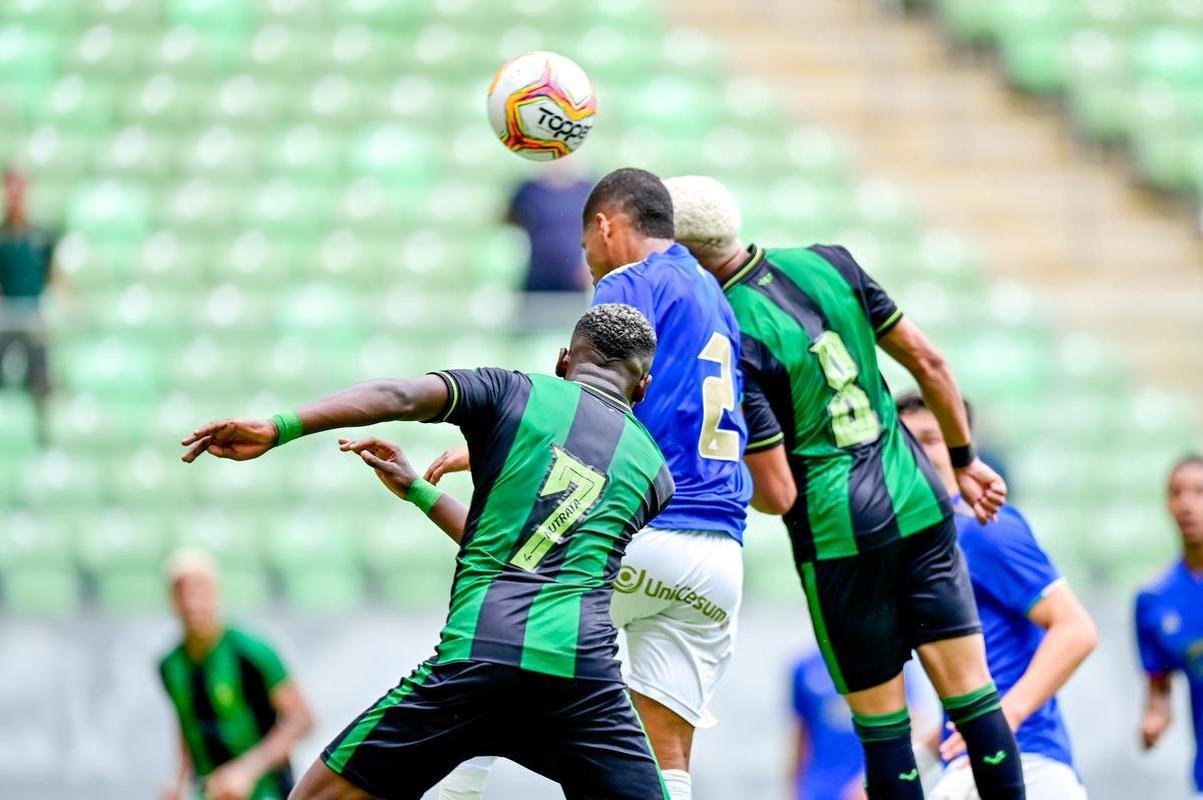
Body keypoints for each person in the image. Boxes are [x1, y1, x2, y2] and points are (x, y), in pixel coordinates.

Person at [180, 303, 676, 800]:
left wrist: (279, 427)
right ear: (643, 387)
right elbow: (533, 551)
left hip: (476, 662)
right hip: (580, 684)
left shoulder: (511, 392)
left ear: (563, 361)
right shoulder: (655, 476)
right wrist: (420, 491)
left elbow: (397, 395)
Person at [666, 174, 1023, 800]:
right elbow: (931, 363)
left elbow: (777, 494)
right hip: (919, 500)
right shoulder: (832, 263)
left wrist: (705, 469)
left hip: (839, 536)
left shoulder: (729, 332)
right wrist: (964, 460)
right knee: (974, 701)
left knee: (884, 733)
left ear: (686, 254)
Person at [431, 168, 753, 800]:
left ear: (605, 227)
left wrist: (496, 447)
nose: (589, 260)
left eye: (585, 247)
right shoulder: (715, 297)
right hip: (718, 559)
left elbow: (591, 410)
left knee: (506, 632)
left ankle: (454, 788)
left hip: (649, 531)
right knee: (665, 756)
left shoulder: (628, 284)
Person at [897, 392, 1096, 799]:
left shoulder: (984, 526)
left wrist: (1006, 717)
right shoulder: (929, 540)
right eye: (906, 442)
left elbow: (1076, 629)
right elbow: (971, 699)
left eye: (932, 439)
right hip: (978, 763)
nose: (918, 453)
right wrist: (908, 765)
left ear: (960, 446)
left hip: (1028, 764)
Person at [158, 548, 314, 800]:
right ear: (171, 599)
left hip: (267, 791)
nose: (191, 601)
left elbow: (302, 719)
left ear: (215, 593)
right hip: (210, 792)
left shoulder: (251, 651)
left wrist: (247, 770)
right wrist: (178, 783)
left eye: (200, 589)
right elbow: (186, 724)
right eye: (182, 591)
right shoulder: (170, 665)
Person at [1135, 454, 1203, 798]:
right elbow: (1159, 688)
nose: (1187, 504)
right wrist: (1155, 719)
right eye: (1177, 492)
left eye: (1199, 492)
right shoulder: (1154, 599)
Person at [0, 167, 57, 443]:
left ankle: (45, 438)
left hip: (32, 320)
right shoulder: (2, 237)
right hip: (6, 321)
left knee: (41, 382)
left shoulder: (41, 235)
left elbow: (51, 274)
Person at [506, 160, 593, 330]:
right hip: (537, 276)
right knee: (531, 329)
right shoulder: (529, 190)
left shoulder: (588, 189)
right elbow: (510, 218)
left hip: (573, 279)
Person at [791, 649, 868, 800]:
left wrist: (874, 781)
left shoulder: (886, 662)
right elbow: (801, 736)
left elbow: (910, 726)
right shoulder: (805, 667)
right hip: (817, 791)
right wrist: (794, 790)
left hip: (863, 789)